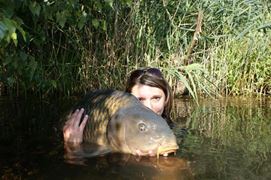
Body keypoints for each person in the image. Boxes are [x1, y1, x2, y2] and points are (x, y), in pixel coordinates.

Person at [63, 67, 174, 145]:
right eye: (139, 100)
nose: (148, 107)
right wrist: (73, 147)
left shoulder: (177, 133)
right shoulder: (117, 126)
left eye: (156, 98)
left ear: (166, 99)